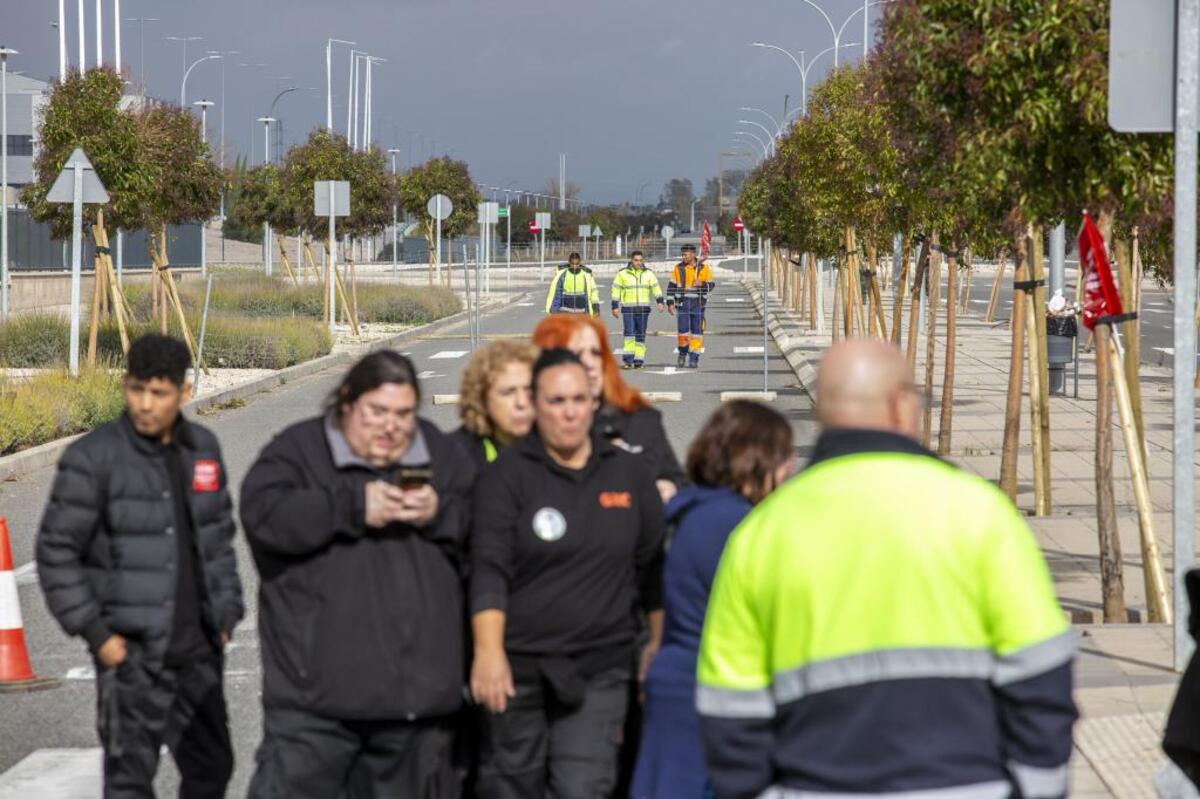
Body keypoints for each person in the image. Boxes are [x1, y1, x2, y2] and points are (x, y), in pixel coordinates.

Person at [697, 339, 1077, 799]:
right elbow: (1041, 670)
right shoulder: (978, 513)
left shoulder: (761, 534)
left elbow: (729, 706)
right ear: (900, 403)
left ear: (824, 411)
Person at [240, 351, 475, 798]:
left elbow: (490, 531)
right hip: (315, 712)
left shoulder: (440, 453)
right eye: (378, 412)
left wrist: (440, 512)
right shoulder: (299, 451)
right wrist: (351, 505)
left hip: (415, 710)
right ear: (347, 401)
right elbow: (265, 516)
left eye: (404, 415)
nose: (391, 427)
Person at [37, 334, 243, 799]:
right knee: (130, 781)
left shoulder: (203, 448)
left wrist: (227, 614)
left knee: (212, 766)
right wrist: (98, 636)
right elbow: (56, 552)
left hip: (197, 650)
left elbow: (219, 540)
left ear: (184, 393)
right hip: (130, 655)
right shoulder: (94, 458)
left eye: (159, 393)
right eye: (136, 390)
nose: (145, 404)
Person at [469, 348, 665, 799]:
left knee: (583, 786)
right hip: (517, 668)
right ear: (536, 404)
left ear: (594, 401)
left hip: (600, 667)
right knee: (511, 786)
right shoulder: (505, 479)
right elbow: (489, 569)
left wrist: (656, 643)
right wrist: (488, 652)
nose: (569, 412)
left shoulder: (629, 475)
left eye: (579, 399)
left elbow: (652, 566)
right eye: (556, 402)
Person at [631, 401, 795, 799]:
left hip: (681, 686)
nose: (789, 471)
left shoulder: (693, 510)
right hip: (705, 696)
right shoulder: (729, 522)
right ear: (756, 459)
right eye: (783, 458)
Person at [532, 314, 684, 504]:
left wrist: (669, 487)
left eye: (596, 353)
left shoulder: (639, 420)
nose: (590, 363)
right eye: (577, 354)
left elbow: (676, 479)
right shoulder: (530, 428)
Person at [455, 340, 539, 468]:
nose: (521, 402)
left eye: (529, 390)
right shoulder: (455, 458)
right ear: (480, 399)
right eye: (508, 392)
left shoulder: (562, 449)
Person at [611, 250, 666, 369]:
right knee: (629, 333)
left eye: (640, 260)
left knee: (640, 334)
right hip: (628, 308)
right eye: (636, 260)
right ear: (631, 260)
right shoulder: (622, 274)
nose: (638, 263)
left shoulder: (648, 274)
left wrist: (660, 302)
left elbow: (656, 288)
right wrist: (615, 306)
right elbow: (616, 290)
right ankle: (628, 360)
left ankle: (639, 361)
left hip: (643, 309)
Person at [665, 243, 714, 369]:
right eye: (682, 255)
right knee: (683, 332)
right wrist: (670, 303)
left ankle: (694, 358)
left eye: (685, 255)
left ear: (693, 254)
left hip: (698, 304)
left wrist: (701, 284)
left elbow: (711, 285)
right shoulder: (678, 268)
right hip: (682, 304)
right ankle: (682, 353)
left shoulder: (703, 268)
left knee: (697, 333)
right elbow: (671, 287)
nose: (683, 257)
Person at [545, 251, 600, 317]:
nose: (574, 266)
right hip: (565, 312)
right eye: (572, 264)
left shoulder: (586, 275)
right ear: (569, 262)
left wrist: (596, 308)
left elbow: (594, 292)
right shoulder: (562, 274)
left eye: (577, 264)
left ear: (580, 263)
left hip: (582, 313)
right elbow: (556, 293)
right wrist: (552, 311)